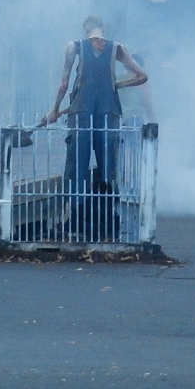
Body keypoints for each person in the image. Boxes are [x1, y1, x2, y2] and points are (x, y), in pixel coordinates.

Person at [44, 16, 147, 239]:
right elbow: (142, 76)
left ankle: (75, 218)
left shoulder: (75, 47)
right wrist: (116, 85)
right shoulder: (117, 48)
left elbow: (64, 82)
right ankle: (108, 220)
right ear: (103, 29)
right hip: (109, 115)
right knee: (108, 167)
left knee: (77, 167)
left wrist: (54, 109)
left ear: (85, 29)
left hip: (80, 114)